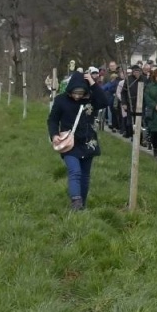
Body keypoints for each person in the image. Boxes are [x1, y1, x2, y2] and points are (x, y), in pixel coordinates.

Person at [47, 70, 112, 210]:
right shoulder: (61, 100)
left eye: (80, 93)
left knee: (85, 175)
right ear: (70, 89)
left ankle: (82, 204)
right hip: (70, 143)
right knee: (74, 171)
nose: (77, 96)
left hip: (88, 142)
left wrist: (93, 83)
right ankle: (76, 200)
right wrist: (54, 135)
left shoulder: (91, 99)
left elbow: (105, 102)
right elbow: (52, 120)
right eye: (74, 92)